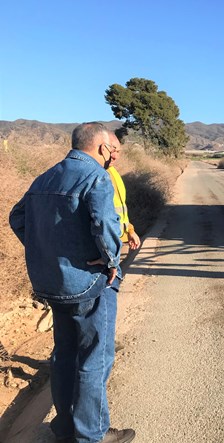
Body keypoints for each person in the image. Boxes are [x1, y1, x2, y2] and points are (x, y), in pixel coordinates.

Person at [9, 122, 136, 443]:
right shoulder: (96, 177)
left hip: (51, 283)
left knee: (64, 353)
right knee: (96, 357)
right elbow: (105, 225)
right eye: (115, 150)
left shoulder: (46, 176)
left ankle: (64, 426)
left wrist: (48, 251)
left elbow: (17, 217)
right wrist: (108, 261)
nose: (115, 157)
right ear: (103, 148)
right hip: (88, 284)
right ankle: (91, 434)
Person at [106, 132, 141, 258]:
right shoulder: (95, 175)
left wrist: (129, 231)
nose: (115, 156)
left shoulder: (112, 171)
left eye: (118, 151)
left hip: (116, 243)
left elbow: (120, 210)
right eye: (112, 150)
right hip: (104, 249)